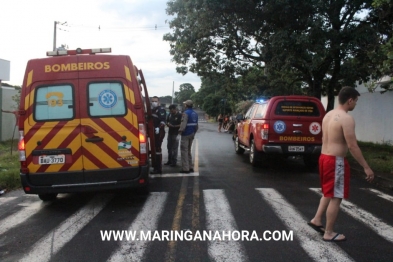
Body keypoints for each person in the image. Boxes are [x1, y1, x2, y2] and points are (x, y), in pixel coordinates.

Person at [308, 86, 374, 242]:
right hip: (335, 161)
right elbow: (352, 146)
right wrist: (366, 167)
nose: (355, 104)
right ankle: (329, 232)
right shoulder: (346, 118)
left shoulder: (328, 115)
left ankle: (317, 220)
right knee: (336, 197)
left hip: (324, 157)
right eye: (356, 101)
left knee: (328, 192)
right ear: (349, 100)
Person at [178, 100, 198, 173]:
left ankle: (185, 168)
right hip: (192, 133)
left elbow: (183, 124)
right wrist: (193, 133)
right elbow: (196, 125)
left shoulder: (185, 113)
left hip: (186, 134)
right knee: (189, 150)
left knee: (184, 151)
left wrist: (180, 131)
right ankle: (190, 167)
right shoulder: (195, 113)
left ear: (186, 105)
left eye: (185, 104)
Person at [150, 96, 167, 174]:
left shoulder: (161, 110)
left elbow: (163, 121)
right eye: (153, 101)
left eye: (155, 101)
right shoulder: (152, 110)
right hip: (153, 132)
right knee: (154, 149)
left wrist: (159, 128)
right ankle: (156, 166)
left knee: (157, 149)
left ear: (158, 102)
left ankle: (158, 168)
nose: (154, 102)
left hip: (159, 132)